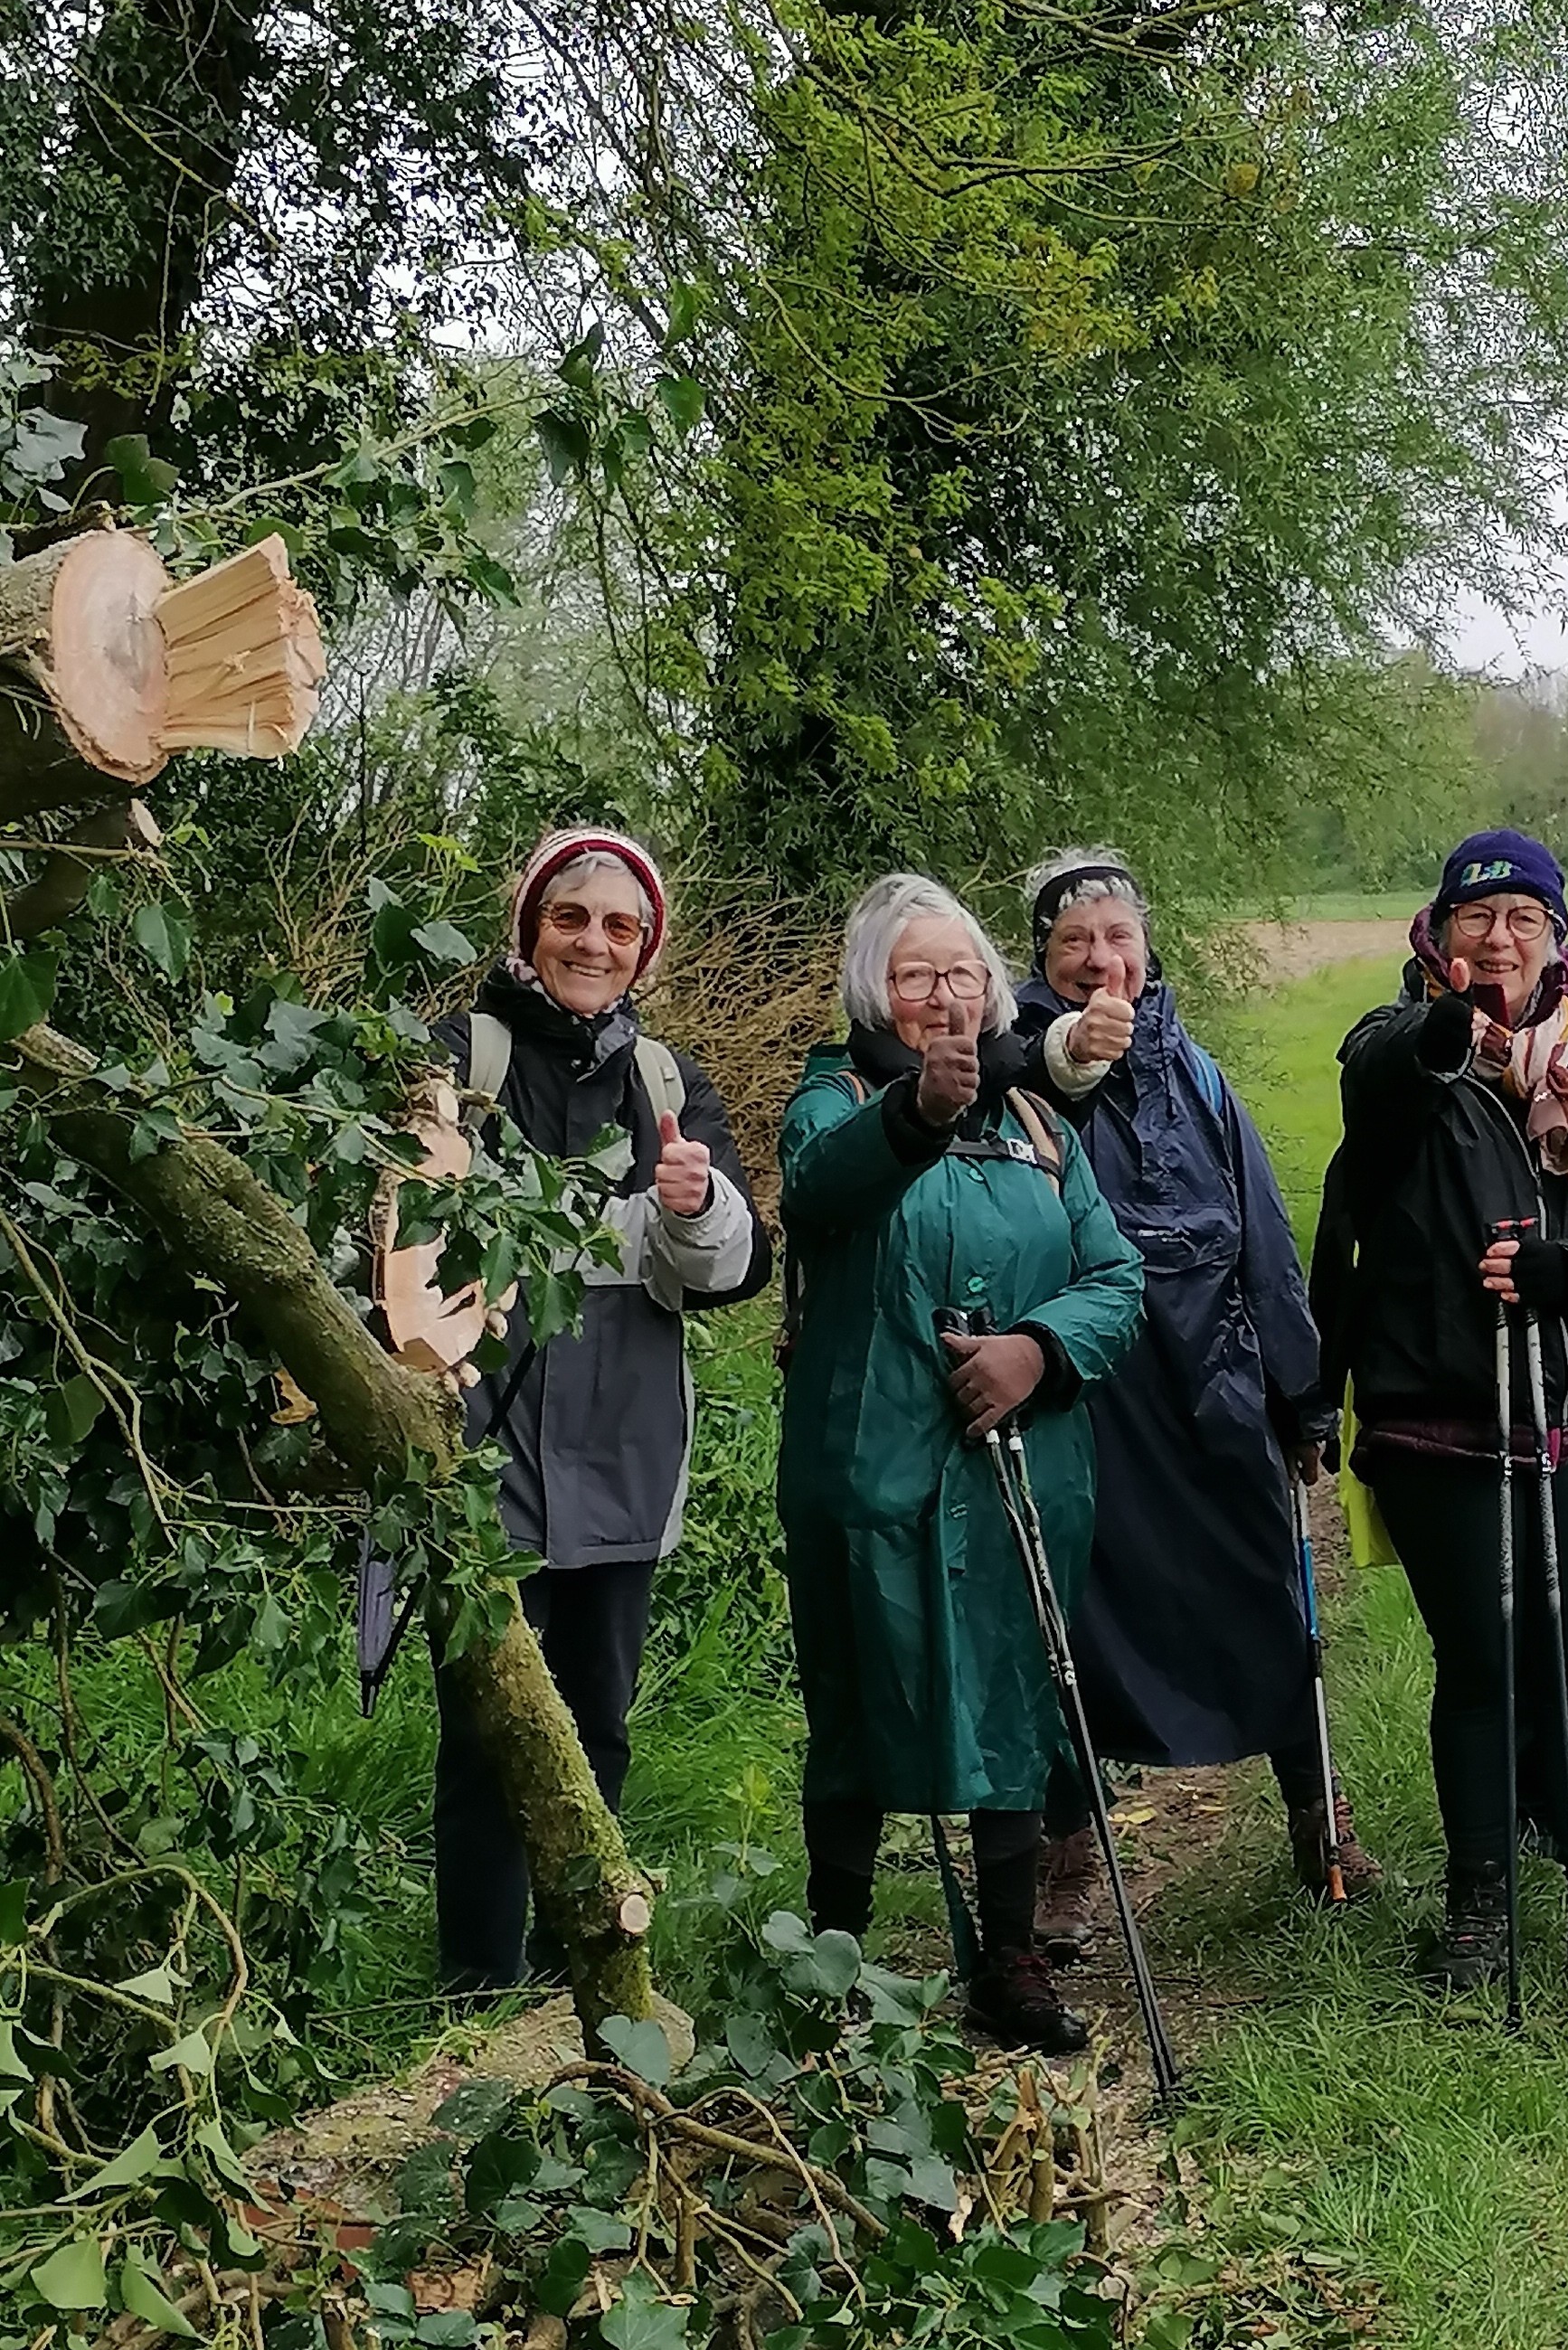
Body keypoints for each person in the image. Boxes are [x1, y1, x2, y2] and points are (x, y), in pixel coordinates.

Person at [776, 873, 1148, 2051]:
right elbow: (822, 1191)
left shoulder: (1042, 1124)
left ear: (994, 992)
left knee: (1011, 1691)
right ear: (872, 993)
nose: (943, 993)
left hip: (1024, 1469)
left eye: (963, 972)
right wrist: (918, 1116)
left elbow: (1117, 1278)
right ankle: (829, 1960)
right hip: (870, 1463)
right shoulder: (830, 1102)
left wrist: (1040, 1351)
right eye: (914, 973)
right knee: (856, 1701)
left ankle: (1008, 1961)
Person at [1318, 829, 1568, 2008]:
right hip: (1437, 1400)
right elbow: (1382, 1087)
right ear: (1437, 936)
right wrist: (1453, 1021)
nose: (1499, 938)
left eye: (1524, 918)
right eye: (1476, 918)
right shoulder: (1398, 1046)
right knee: (1476, 1666)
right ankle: (1479, 1906)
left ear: (1556, 940)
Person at [1012, 850, 1380, 1939]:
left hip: (1212, 1382)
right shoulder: (1014, 1071)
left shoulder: (1198, 1072)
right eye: (1073, 942)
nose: (1098, 959)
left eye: (1116, 937)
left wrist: (1303, 1393)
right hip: (1084, 1397)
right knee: (1067, 1623)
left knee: (1268, 1594)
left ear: (1147, 947)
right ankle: (1070, 1855)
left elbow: (1262, 1230)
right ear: (1043, 959)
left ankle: (1320, 1823)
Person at [433, 827, 770, 1994]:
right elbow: (384, 1242)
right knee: (488, 1730)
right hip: (479, 1461)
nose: (593, 940)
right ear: (530, 927)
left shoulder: (666, 1085)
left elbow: (736, 1267)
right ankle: (477, 1981)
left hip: (627, 1456)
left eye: (619, 926)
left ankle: (581, 1960)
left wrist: (697, 1202)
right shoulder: (457, 1061)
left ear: (645, 951)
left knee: (596, 1723)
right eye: (570, 916)